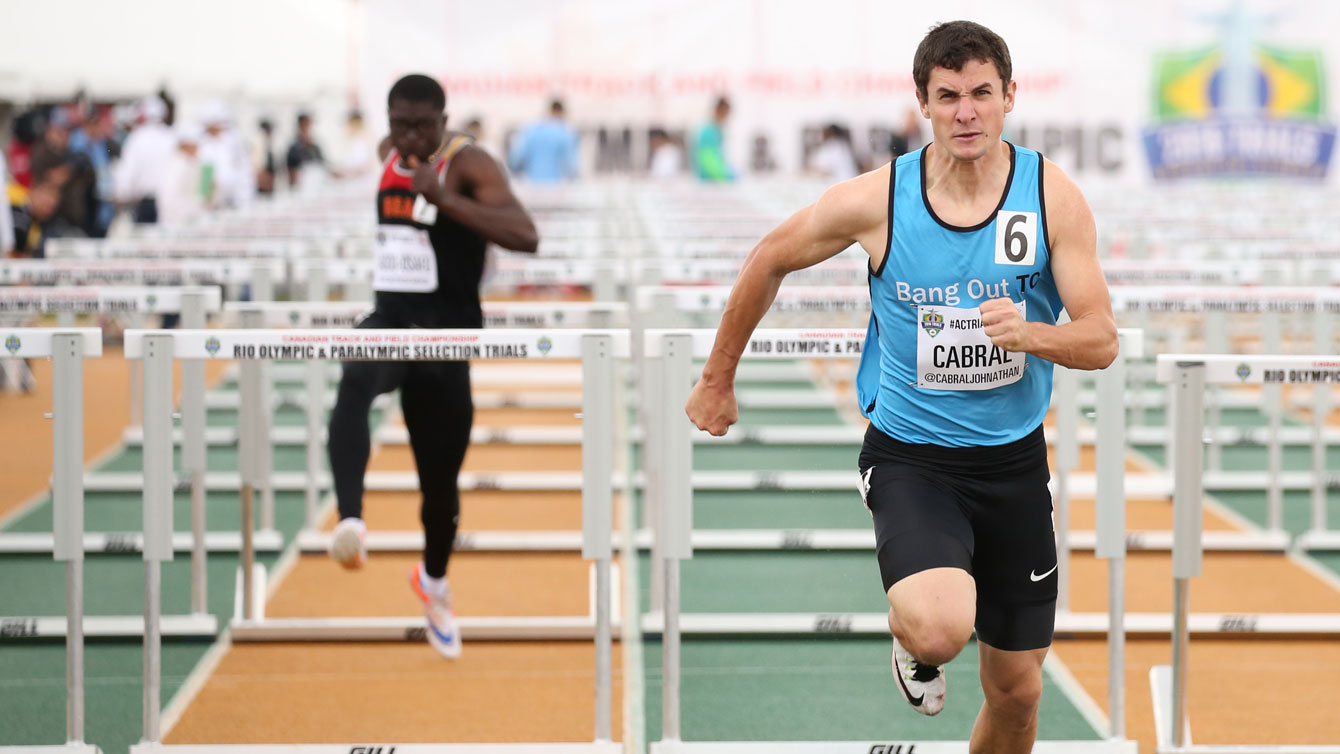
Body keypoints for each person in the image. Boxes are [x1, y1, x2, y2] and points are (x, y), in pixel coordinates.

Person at [683, 20, 1116, 753]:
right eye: (949, 97)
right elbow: (769, 258)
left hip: (1012, 466)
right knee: (942, 627)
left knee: (1018, 694)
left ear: (1011, 96)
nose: (967, 113)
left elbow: (1101, 337)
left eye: (982, 93)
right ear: (923, 103)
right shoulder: (881, 199)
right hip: (913, 457)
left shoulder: (1050, 196)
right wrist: (717, 376)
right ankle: (913, 635)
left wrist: (1031, 336)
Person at [326, 74, 539, 659]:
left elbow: (526, 235)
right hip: (393, 321)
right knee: (354, 372)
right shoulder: (388, 152)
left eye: (423, 125)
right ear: (388, 119)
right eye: (400, 124)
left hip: (447, 340)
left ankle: (433, 582)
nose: (411, 137)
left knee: (439, 493)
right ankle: (352, 521)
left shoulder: (468, 165)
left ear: (445, 122)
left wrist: (445, 198)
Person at [113, 96, 175, 224]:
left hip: (145, 202)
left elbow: (127, 172)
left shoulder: (137, 138)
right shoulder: (171, 137)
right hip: (169, 201)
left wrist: (120, 195)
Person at [508, 99, 578, 183]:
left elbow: (515, 159)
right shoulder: (565, 133)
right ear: (562, 113)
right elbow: (572, 166)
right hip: (556, 187)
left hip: (531, 186)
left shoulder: (531, 130)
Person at [693, 96, 733, 181]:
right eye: (725, 114)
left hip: (714, 178)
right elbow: (707, 158)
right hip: (710, 180)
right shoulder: (708, 132)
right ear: (718, 111)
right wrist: (723, 176)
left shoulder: (716, 129)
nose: (726, 117)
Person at [285, 111, 326, 189]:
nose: (309, 128)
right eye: (306, 125)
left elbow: (323, 166)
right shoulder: (294, 149)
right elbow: (291, 173)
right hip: (301, 190)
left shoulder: (315, 148)